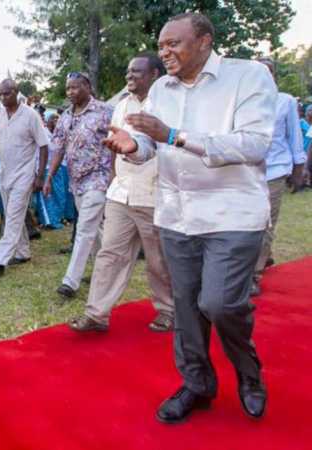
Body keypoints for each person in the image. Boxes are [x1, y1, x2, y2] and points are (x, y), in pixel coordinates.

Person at [104, 13, 275, 423]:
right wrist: (133, 146)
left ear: (203, 42)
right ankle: (197, 384)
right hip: (176, 215)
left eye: (173, 44)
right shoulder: (162, 87)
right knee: (186, 308)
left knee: (219, 303)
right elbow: (153, 144)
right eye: (161, 46)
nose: (165, 54)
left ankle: (249, 375)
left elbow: (253, 145)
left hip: (232, 214)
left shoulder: (248, 77)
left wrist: (173, 135)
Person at [68, 53, 174, 333]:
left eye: (137, 72)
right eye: (128, 71)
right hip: (120, 194)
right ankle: (96, 314)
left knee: (158, 259)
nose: (129, 76)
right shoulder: (121, 106)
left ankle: (168, 310)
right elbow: (114, 150)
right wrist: (111, 185)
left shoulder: (167, 105)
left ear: (154, 74)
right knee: (109, 254)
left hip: (154, 195)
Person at [45, 72, 114, 299]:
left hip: (99, 178)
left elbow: (118, 143)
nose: (70, 92)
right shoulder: (65, 116)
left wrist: (115, 174)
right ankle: (110, 268)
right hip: (77, 181)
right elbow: (58, 148)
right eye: (68, 88)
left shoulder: (105, 112)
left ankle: (70, 282)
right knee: (94, 231)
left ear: (87, 86)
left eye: (75, 87)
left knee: (84, 228)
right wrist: (49, 177)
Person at [0, 79, 48, 277]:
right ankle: (23, 252)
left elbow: (43, 146)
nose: (2, 97)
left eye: (6, 93)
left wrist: (40, 175)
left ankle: (0, 260)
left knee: (14, 216)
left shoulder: (31, 115)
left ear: (16, 92)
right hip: (4, 173)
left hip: (24, 174)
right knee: (11, 214)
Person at [251, 58, 307, 295]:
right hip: (247, 171)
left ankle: (253, 273)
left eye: (268, 71)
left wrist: (298, 170)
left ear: (274, 75)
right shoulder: (244, 101)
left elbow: (294, 136)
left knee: (265, 221)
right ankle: (266, 255)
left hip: (275, 169)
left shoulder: (284, 101)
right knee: (248, 222)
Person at [34, 112, 64, 230]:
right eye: (53, 118)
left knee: (58, 195)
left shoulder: (58, 133)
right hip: (44, 168)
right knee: (47, 195)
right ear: (47, 121)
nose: (56, 120)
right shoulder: (43, 133)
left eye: (57, 118)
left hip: (56, 167)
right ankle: (48, 221)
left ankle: (56, 218)